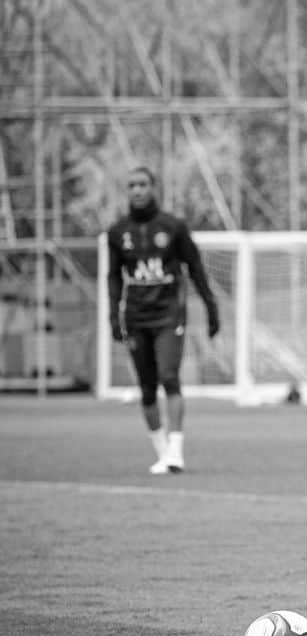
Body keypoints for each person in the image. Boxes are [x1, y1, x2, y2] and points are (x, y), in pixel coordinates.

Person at [106, 166, 220, 474]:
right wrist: (113, 316)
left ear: (153, 187)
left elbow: (196, 268)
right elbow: (114, 278)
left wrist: (211, 307)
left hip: (169, 315)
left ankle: (176, 451)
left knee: (169, 377)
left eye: (143, 184)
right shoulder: (118, 233)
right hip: (136, 316)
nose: (138, 190)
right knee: (146, 388)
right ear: (126, 190)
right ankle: (162, 454)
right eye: (132, 185)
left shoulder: (173, 227)